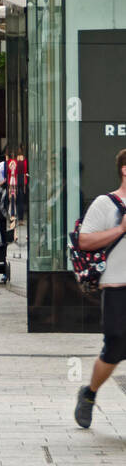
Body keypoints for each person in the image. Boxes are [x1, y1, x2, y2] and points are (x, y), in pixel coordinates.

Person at [73, 149, 126, 428]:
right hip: (117, 287)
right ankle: (89, 393)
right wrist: (119, 230)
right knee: (115, 345)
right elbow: (84, 242)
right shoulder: (106, 204)